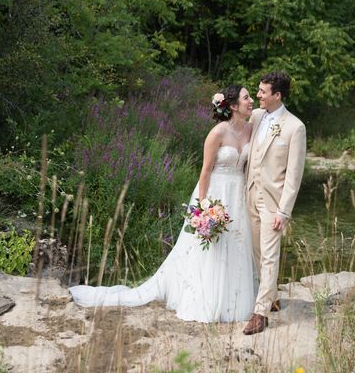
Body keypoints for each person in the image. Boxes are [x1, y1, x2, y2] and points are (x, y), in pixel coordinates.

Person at [69, 85, 256, 323]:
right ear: (232, 106)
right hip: (216, 193)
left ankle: (235, 302)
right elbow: (205, 172)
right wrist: (204, 206)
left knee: (237, 244)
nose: (251, 101)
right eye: (246, 97)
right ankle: (208, 300)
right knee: (212, 247)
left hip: (238, 196)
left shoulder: (251, 129)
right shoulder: (217, 133)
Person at [243, 72, 307, 335]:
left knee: (269, 256)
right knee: (257, 251)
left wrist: (284, 210)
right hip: (249, 195)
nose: (258, 95)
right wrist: (220, 103)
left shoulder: (295, 127)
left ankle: (260, 314)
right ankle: (273, 295)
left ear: (277, 95)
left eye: (262, 91)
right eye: (257, 91)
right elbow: (234, 125)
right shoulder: (257, 117)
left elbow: (294, 174)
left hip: (273, 202)